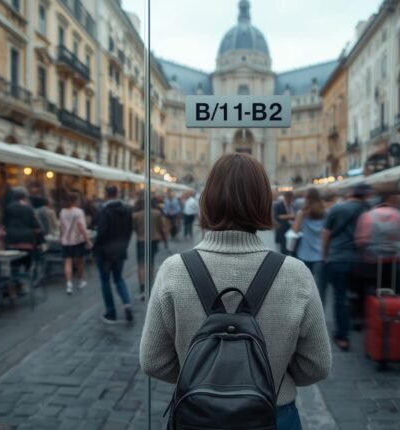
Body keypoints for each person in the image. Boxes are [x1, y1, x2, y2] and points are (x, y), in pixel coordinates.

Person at [140, 153, 331, 430]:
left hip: (197, 415)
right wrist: (272, 373)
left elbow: (153, 361)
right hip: (274, 413)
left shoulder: (174, 270)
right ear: (263, 202)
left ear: (207, 200)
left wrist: (201, 377)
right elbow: (317, 365)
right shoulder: (295, 273)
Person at [322, 184, 372, 351]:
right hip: (360, 259)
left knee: (340, 297)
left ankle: (342, 337)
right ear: (365, 196)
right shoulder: (367, 210)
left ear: (350, 193)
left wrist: (325, 255)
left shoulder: (337, 209)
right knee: (360, 294)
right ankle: (359, 323)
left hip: (337, 258)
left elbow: (326, 234)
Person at [355, 183, 400, 297]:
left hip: (372, 262)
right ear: (393, 199)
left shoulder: (367, 216)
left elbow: (360, 241)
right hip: (395, 262)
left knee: (371, 293)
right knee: (395, 293)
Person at [93, 186, 134, 323]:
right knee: (119, 278)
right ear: (117, 193)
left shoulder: (104, 211)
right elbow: (129, 230)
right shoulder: (127, 210)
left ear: (106, 194)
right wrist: (124, 246)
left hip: (105, 252)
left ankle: (111, 312)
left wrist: (95, 248)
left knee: (105, 281)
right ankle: (127, 303)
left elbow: (101, 233)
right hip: (120, 250)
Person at [292, 188, 327, 302]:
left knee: (306, 284)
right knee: (320, 285)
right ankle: (320, 308)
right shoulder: (325, 212)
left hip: (305, 252)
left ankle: (307, 307)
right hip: (321, 254)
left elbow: (295, 230)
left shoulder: (302, 213)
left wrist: (300, 218)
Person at [133, 194, 169, 301]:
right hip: (153, 239)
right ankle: (149, 285)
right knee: (151, 262)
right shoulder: (157, 213)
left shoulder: (136, 215)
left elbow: (134, 228)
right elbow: (161, 228)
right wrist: (165, 240)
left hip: (141, 240)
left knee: (141, 264)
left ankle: (142, 287)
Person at [3, 187, 43, 280]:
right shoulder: (29, 209)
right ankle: (25, 280)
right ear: (24, 198)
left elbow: (4, 224)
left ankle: (15, 283)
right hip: (26, 241)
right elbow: (36, 227)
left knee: (13, 265)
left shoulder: (9, 208)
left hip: (11, 240)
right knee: (26, 263)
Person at [59, 192, 92, 295]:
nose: (80, 202)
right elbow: (81, 227)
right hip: (78, 240)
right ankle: (80, 281)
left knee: (68, 262)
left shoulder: (62, 211)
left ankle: (69, 284)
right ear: (75, 201)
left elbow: (61, 226)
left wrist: (61, 237)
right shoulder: (79, 212)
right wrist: (88, 240)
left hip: (66, 241)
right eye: (78, 200)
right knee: (80, 261)